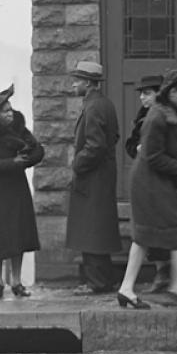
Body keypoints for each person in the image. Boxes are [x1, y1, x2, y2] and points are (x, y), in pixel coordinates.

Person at [118, 70, 177, 308]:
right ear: (173, 93)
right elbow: (153, 157)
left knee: (144, 235)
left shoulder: (173, 113)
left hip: (154, 180)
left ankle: (126, 288)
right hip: (150, 182)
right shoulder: (157, 117)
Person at [0, 84, 44, 300]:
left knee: (18, 235)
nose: (10, 114)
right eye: (5, 111)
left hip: (17, 189)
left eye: (10, 110)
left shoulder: (19, 130)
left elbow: (37, 150)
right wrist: (13, 163)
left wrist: (26, 160)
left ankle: (16, 281)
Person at [66, 61, 122, 293]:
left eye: (77, 80)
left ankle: (96, 283)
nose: (73, 84)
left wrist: (77, 164)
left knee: (92, 230)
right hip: (101, 176)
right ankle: (104, 279)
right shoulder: (103, 104)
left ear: (88, 83)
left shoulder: (94, 107)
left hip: (93, 178)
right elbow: (114, 136)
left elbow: (95, 145)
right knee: (96, 228)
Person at [124, 74, 170, 293]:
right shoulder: (142, 116)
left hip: (164, 179)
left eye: (147, 93)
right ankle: (161, 272)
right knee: (147, 227)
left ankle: (172, 275)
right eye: (141, 93)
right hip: (146, 177)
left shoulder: (167, 116)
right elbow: (130, 143)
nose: (143, 97)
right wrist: (137, 150)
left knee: (165, 226)